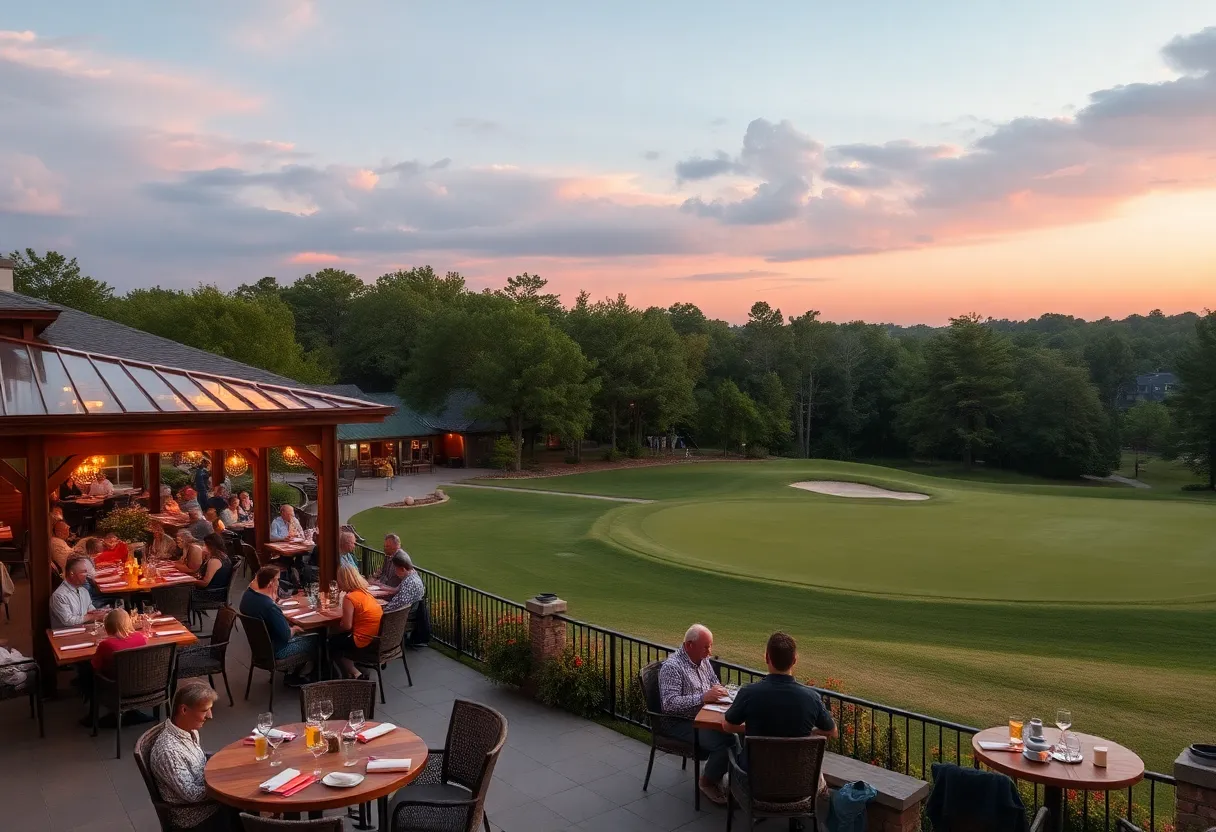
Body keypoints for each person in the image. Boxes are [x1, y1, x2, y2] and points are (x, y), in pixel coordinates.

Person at [723, 631, 837, 775]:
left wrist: (754, 731)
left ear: (766, 657)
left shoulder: (749, 693)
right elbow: (832, 731)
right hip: (797, 783)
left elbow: (727, 726)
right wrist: (808, 733)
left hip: (755, 782)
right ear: (795, 660)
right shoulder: (812, 698)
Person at [659, 623, 738, 806]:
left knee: (738, 734)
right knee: (728, 743)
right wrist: (703, 698)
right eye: (706, 646)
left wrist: (719, 692)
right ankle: (707, 781)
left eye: (710, 646)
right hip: (680, 723)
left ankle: (731, 780)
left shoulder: (703, 660)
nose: (709, 652)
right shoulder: (672, 667)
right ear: (689, 645)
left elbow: (713, 682)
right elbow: (669, 705)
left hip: (704, 718)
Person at [149, 682, 238, 831]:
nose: (210, 716)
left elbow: (200, 760)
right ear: (184, 710)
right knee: (249, 815)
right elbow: (192, 795)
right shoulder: (169, 752)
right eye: (205, 710)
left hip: (209, 801)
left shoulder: (189, 730)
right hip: (195, 818)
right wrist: (226, 785)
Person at [239, 566, 316, 686]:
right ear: (270, 583)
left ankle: (293, 671)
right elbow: (285, 635)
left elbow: (253, 586)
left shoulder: (247, 597)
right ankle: (301, 676)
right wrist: (294, 629)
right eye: (278, 580)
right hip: (278, 651)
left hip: (261, 649)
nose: (279, 583)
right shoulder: (269, 607)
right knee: (316, 639)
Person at [329, 563, 382, 679]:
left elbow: (347, 626)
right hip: (374, 638)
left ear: (344, 580)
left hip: (361, 641)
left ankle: (353, 673)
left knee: (331, 642)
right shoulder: (365, 593)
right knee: (339, 639)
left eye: (339, 580)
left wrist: (332, 630)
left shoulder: (350, 598)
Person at [50, 557, 107, 628]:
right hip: (66, 636)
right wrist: (92, 616)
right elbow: (68, 621)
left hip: (83, 632)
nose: (87, 575)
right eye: (83, 572)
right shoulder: (59, 596)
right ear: (72, 573)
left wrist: (102, 614)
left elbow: (91, 611)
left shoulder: (84, 591)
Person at [91, 608, 148, 676]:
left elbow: (95, 665)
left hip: (115, 682)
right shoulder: (140, 637)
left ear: (107, 626)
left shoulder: (105, 644)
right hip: (140, 678)